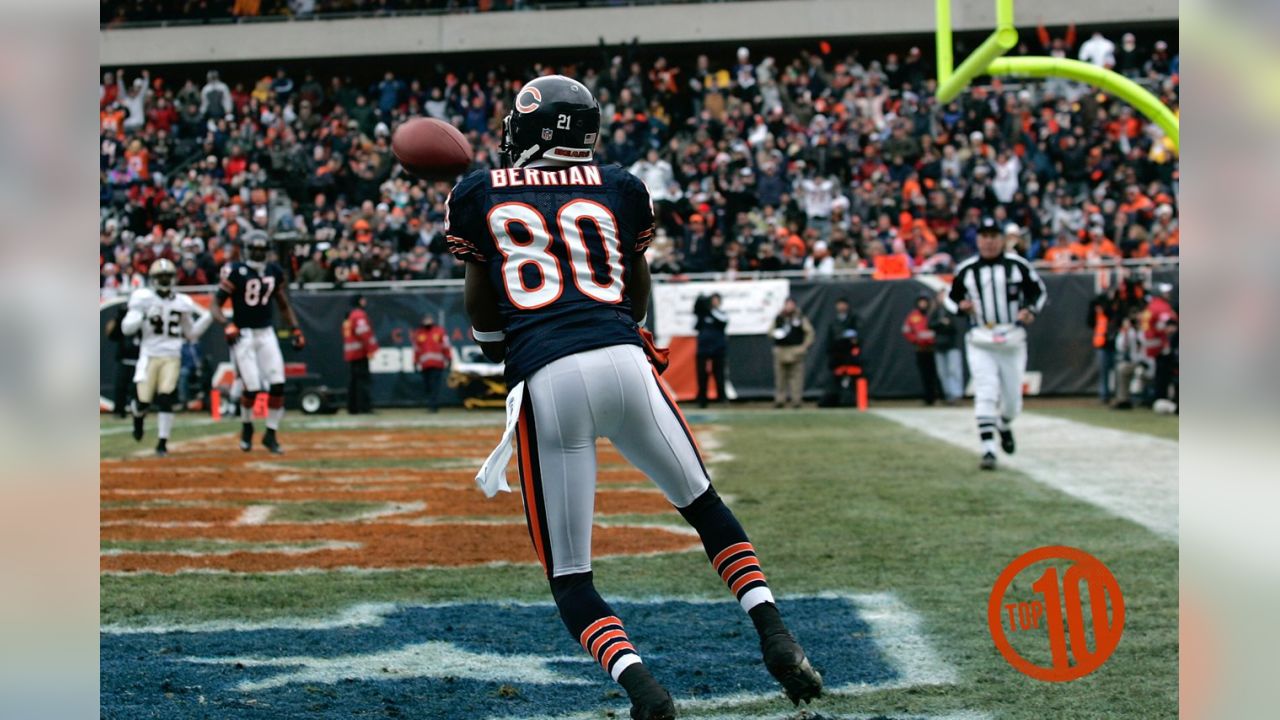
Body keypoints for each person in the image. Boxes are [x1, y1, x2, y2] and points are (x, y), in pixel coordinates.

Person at [447, 75, 821, 720]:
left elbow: (486, 325)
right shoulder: (621, 185)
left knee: (571, 576)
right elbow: (638, 296)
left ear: (532, 129)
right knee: (705, 508)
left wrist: (493, 338)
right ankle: (776, 635)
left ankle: (645, 691)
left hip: (548, 375)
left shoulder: (477, 191)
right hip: (626, 361)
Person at [944, 218, 1047, 470]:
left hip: (1011, 338)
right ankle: (988, 449)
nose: (989, 241)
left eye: (993, 236)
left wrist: (1030, 310)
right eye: (984, 236)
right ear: (977, 240)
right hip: (981, 338)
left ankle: (1004, 423)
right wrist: (960, 307)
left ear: (1001, 239)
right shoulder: (967, 269)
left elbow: (1038, 292)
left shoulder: (1017, 266)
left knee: (1013, 402)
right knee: (986, 389)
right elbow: (950, 297)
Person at [210, 230, 306, 454]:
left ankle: (271, 434)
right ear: (246, 250)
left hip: (265, 332)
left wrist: (295, 329)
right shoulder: (236, 271)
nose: (258, 253)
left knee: (278, 383)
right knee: (251, 388)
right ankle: (246, 427)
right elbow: (215, 305)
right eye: (255, 249)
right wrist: (227, 324)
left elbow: (283, 304)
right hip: (243, 334)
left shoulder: (273, 271)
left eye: (262, 250)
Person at [121, 259, 213, 456]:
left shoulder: (183, 302)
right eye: (160, 277)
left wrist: (208, 318)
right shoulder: (143, 298)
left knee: (165, 398)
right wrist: (140, 317)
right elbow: (126, 328)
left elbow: (191, 334)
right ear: (153, 279)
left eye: (167, 277)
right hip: (149, 354)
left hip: (172, 355)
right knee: (143, 402)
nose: (163, 280)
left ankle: (162, 442)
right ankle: (138, 419)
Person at [771, 298, 814, 409]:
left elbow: (810, 332)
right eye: (787, 304)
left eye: (791, 304)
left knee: (797, 378)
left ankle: (796, 400)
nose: (789, 307)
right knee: (780, 378)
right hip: (781, 350)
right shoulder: (779, 318)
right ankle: (780, 400)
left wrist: (804, 346)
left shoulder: (799, 318)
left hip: (795, 350)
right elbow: (770, 331)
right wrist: (776, 335)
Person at [902, 293, 943, 406]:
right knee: (925, 374)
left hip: (934, 348)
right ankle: (928, 398)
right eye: (921, 302)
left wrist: (935, 338)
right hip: (920, 348)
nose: (923, 304)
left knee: (937, 374)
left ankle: (940, 397)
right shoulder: (913, 315)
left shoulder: (932, 314)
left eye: (925, 302)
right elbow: (906, 330)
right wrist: (915, 339)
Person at [821, 297, 862, 407]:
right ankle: (835, 400)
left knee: (851, 378)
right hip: (836, 356)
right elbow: (831, 339)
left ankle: (851, 400)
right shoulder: (833, 321)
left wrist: (853, 342)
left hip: (850, 355)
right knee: (835, 380)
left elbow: (857, 337)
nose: (841, 307)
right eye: (839, 304)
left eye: (843, 304)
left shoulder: (854, 319)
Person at [343, 294, 379, 415]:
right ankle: (364, 407)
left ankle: (352, 407)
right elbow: (363, 332)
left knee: (354, 381)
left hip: (351, 353)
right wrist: (371, 349)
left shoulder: (349, 316)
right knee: (362, 381)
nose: (365, 301)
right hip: (359, 352)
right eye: (363, 299)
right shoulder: (359, 315)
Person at [928, 289, 965, 405]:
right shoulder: (935, 311)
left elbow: (955, 327)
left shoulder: (952, 310)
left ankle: (957, 395)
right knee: (943, 372)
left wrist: (944, 324)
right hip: (939, 346)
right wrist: (941, 322)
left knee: (954, 371)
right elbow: (930, 324)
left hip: (952, 345)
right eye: (940, 295)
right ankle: (948, 395)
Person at [105, 304, 141, 418]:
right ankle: (119, 411)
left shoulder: (144, 319)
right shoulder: (122, 321)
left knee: (138, 390)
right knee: (120, 388)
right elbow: (110, 334)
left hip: (140, 361)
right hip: (124, 360)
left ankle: (138, 411)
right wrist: (119, 318)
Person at [693, 293, 729, 408]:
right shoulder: (702, 315)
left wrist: (711, 311)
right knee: (702, 375)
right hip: (703, 348)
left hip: (718, 348)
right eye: (712, 300)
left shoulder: (721, 314)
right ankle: (702, 399)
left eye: (716, 300)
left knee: (719, 374)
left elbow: (723, 321)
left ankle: (721, 398)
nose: (714, 303)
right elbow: (696, 323)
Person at [412, 315, 452, 413]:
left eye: (429, 320)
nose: (427, 322)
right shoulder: (419, 333)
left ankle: (433, 406)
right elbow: (416, 349)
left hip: (437, 364)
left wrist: (449, 359)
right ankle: (432, 404)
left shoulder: (439, 332)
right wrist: (415, 362)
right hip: (425, 365)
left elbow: (446, 346)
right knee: (428, 386)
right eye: (425, 320)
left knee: (435, 386)